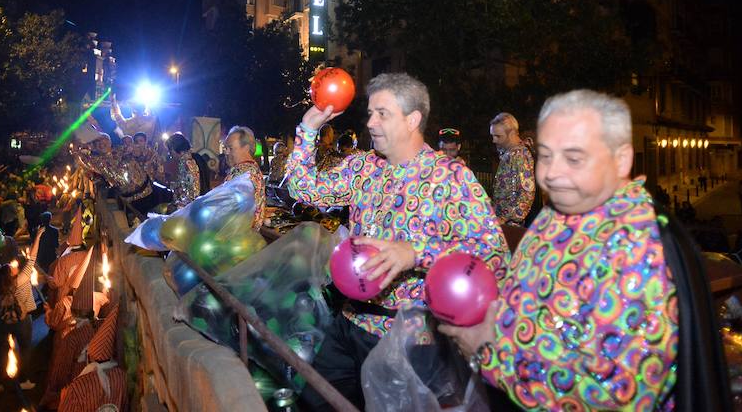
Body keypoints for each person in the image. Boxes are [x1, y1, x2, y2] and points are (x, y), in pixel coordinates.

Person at [441, 90, 678, 410]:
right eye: (548, 155)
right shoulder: (561, 215)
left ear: (621, 159)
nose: (550, 173)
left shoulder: (637, 251)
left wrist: (487, 354)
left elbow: (612, 395)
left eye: (574, 157)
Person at [287, 73, 509, 411]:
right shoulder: (363, 167)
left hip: (408, 338)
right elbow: (303, 189)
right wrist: (308, 129)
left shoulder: (450, 177)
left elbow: (493, 254)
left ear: (412, 119)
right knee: (314, 401)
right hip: (348, 322)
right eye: (370, 112)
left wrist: (418, 253)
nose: (370, 122)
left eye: (382, 113)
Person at [0, 225, 44, 392]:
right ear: (12, 273)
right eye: (12, 266)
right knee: (26, 349)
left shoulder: (1, 285)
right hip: (22, 320)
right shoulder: (22, 278)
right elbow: (33, 257)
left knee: (1, 349)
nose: (14, 265)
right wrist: (38, 236)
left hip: (4, 321)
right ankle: (24, 380)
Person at [489, 112, 536, 225]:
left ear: (511, 134)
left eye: (498, 136)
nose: (494, 140)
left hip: (511, 225)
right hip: (503, 222)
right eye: (493, 136)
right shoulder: (510, 153)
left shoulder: (520, 156)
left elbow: (526, 195)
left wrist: (504, 219)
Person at [223, 126, 266, 229]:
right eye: (226, 148)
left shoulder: (242, 172)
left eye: (230, 148)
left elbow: (225, 208)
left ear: (246, 148)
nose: (226, 152)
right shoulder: (252, 168)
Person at [166, 132, 202, 207]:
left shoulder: (189, 164)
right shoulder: (183, 162)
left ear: (175, 149)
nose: (169, 154)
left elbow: (194, 193)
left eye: (170, 151)